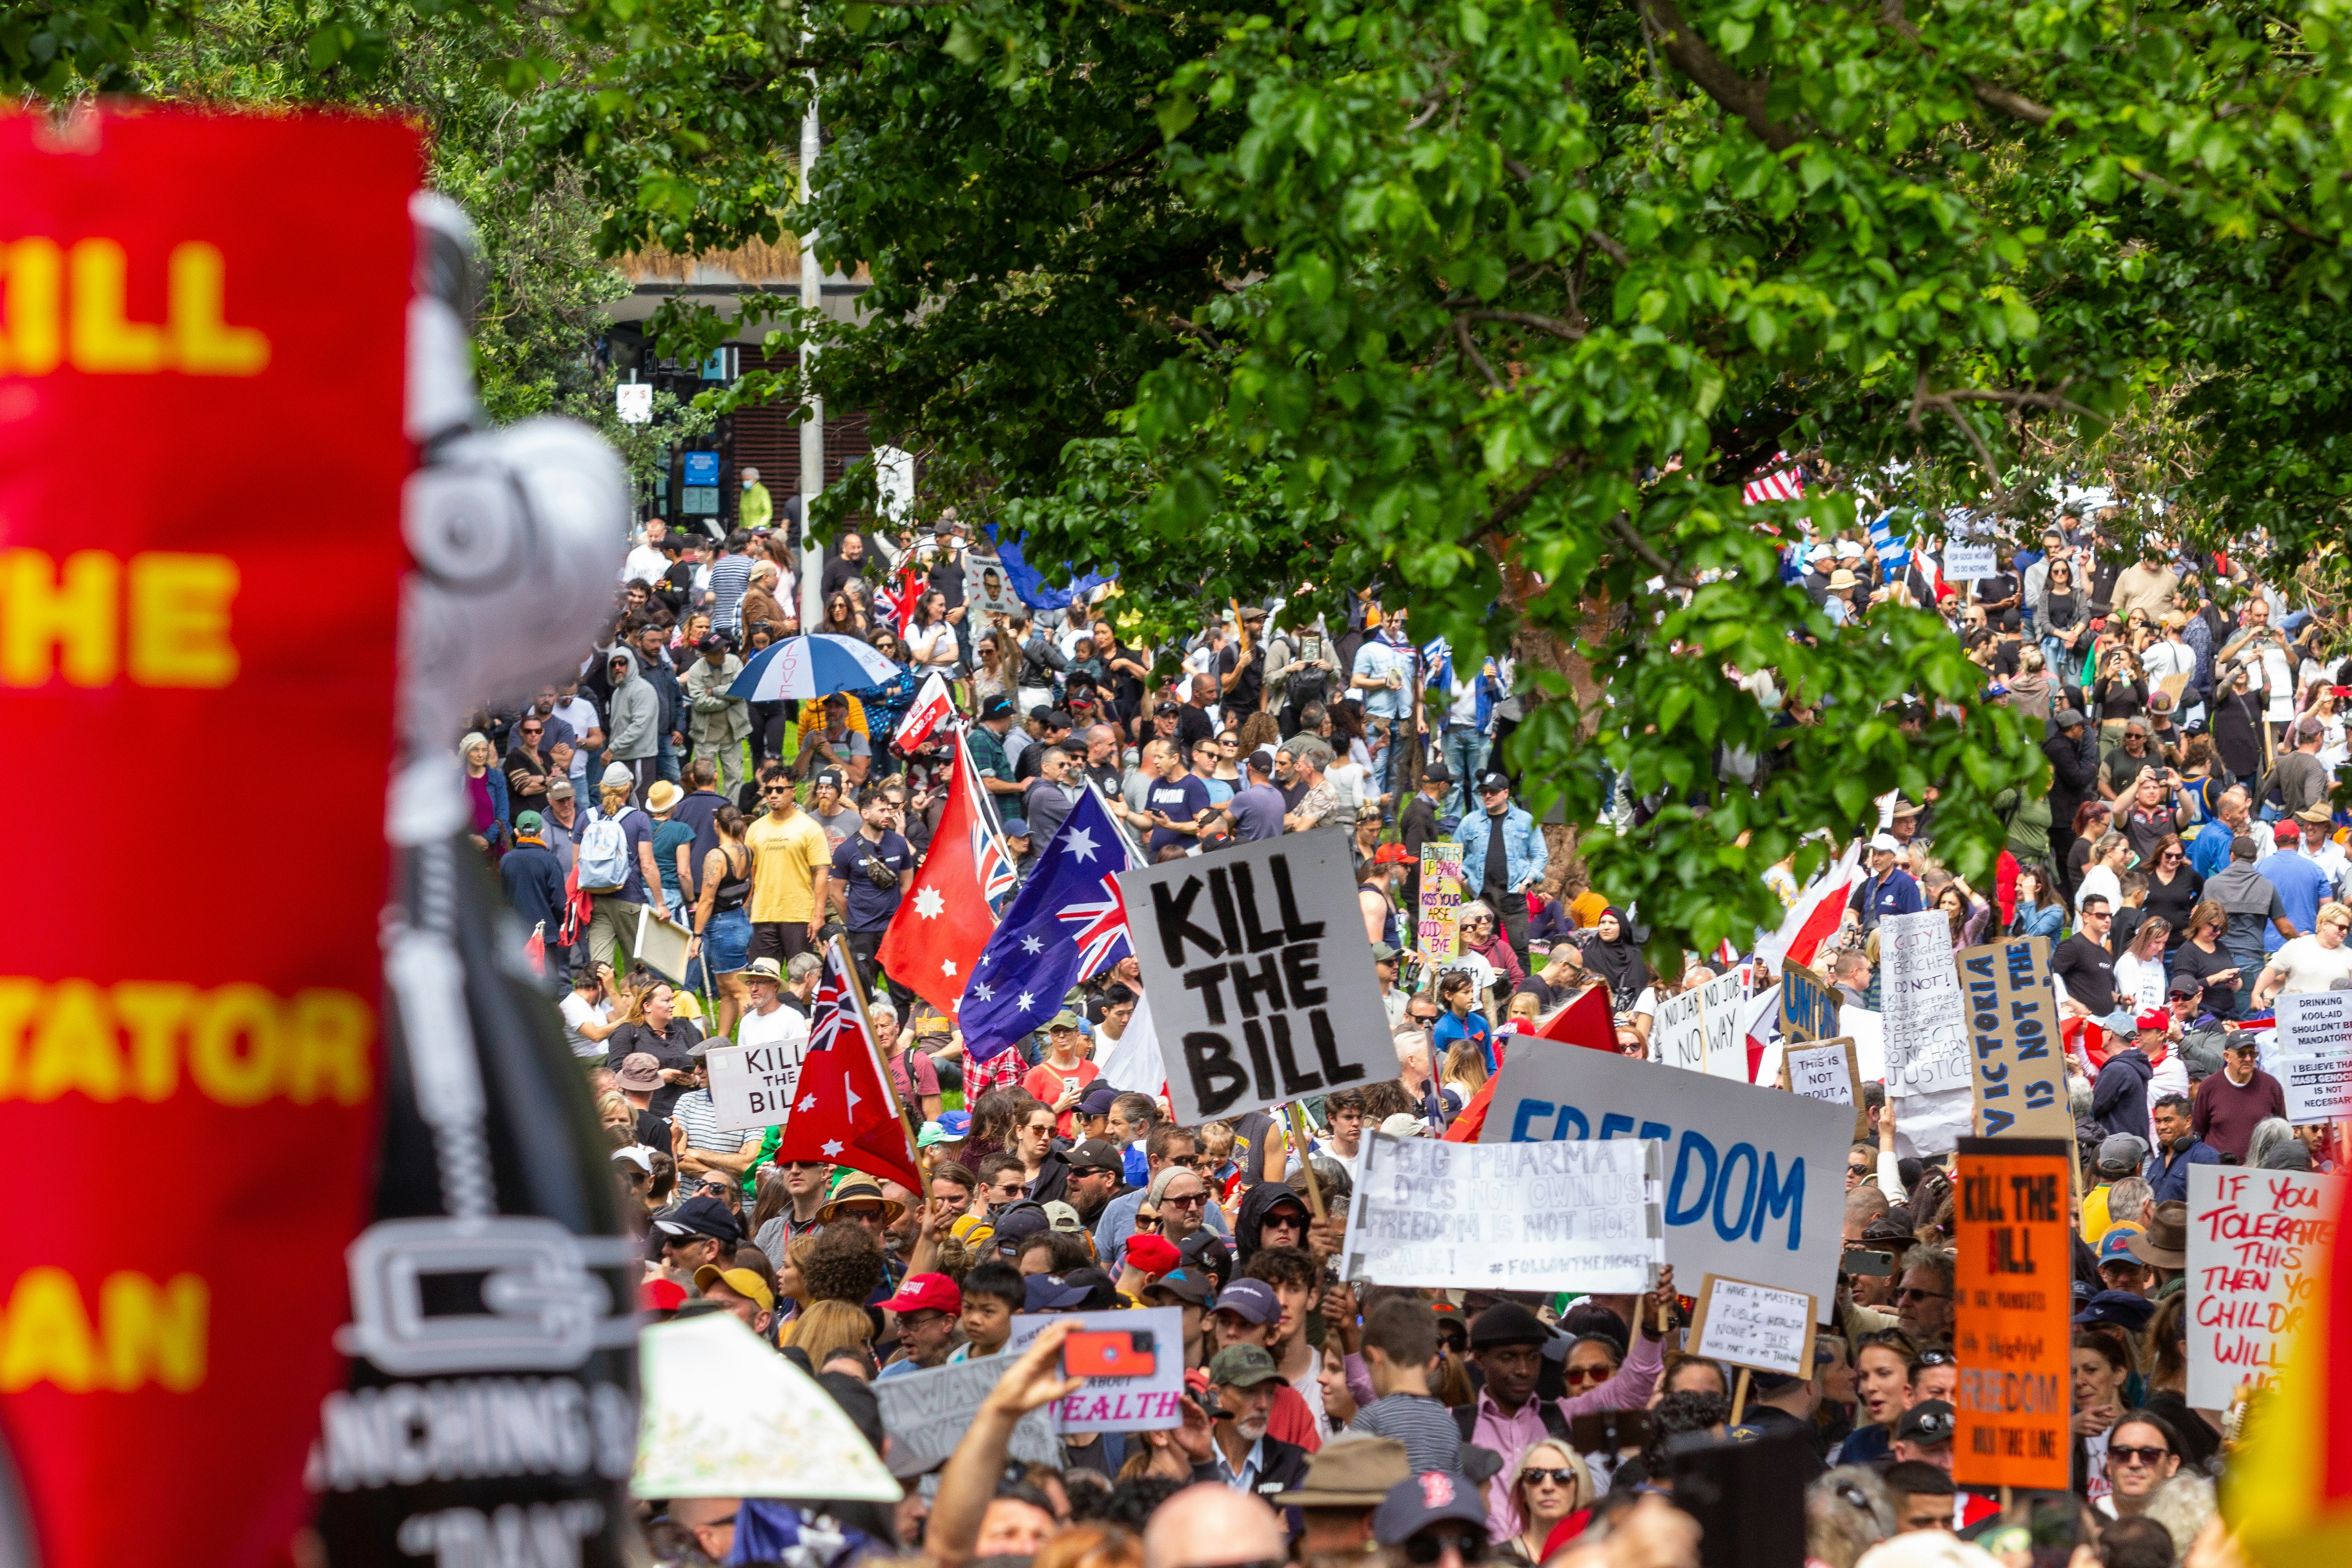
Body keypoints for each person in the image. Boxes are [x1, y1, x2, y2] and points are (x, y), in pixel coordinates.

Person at [1453, 771, 1546, 965]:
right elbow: (1452, 856)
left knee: (1520, 952)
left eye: (1492, 792)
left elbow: (1540, 855)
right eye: (1484, 792)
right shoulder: (1470, 822)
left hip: (1513, 897)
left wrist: (1527, 882)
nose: (1487, 796)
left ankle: (1523, 994)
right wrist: (1463, 881)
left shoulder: (1525, 820)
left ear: (1505, 793)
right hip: (1482, 897)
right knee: (1482, 949)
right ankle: (1490, 992)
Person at [744, 761, 833, 962]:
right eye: (769, 790)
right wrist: (747, 911)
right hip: (763, 914)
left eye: (779, 789)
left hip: (799, 915)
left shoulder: (810, 828)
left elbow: (821, 872)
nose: (773, 794)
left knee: (801, 977)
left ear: (793, 792)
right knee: (763, 977)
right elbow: (752, 874)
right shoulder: (755, 829)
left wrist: (819, 915)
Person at [2190, 1034, 2287, 1162]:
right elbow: (2199, 1130)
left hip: (2261, 1171)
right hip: (2219, 1172)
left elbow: (2282, 1130)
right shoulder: (2209, 1086)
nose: (2248, 1059)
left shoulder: (2271, 1085)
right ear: (2227, 1056)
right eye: (2242, 1054)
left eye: (2252, 1054)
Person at [2253, 897, 2352, 1003]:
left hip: (2334, 1016)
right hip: (2298, 1014)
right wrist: (2256, 994)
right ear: (2324, 924)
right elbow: (2271, 970)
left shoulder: (2349, 955)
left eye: (2348, 928)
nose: (2345, 932)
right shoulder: (2297, 946)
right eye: (2341, 927)